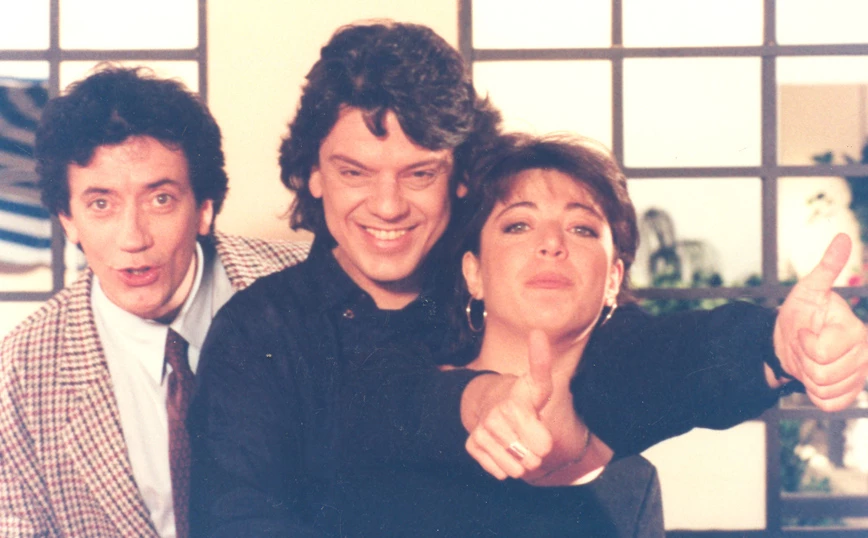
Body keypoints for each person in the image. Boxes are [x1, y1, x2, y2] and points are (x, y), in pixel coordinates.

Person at [188, 21, 868, 536]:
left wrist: (774, 344)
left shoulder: (511, 292)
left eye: (419, 173)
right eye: (354, 172)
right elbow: (239, 516)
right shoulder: (259, 332)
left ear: (460, 177)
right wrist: (478, 401)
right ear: (312, 174)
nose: (388, 205)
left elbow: (654, 358)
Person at [0, 66, 309, 538]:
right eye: (101, 204)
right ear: (68, 221)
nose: (133, 238)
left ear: (204, 208)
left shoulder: (309, 289)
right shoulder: (21, 372)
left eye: (160, 199)